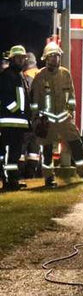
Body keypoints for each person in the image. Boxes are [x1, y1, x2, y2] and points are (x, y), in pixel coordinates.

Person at [31, 42, 83, 187]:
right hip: (46, 120)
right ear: (46, 58)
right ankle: (49, 178)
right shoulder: (40, 77)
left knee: (76, 144)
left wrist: (70, 112)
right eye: (52, 56)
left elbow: (71, 96)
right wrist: (36, 118)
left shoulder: (65, 74)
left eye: (57, 56)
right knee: (47, 150)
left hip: (64, 118)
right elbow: (34, 101)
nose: (55, 59)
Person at [0, 45, 30, 191]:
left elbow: (25, 99)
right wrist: (17, 111)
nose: (21, 60)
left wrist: (27, 116)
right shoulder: (7, 75)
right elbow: (5, 98)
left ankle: (13, 180)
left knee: (15, 155)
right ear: (12, 59)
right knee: (7, 154)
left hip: (19, 123)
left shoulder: (20, 76)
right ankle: (8, 181)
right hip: (8, 122)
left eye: (23, 58)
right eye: (18, 57)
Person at [20, 52, 40, 178]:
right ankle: (31, 174)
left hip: (27, 118)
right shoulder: (41, 75)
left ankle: (20, 174)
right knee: (34, 149)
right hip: (40, 119)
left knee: (21, 148)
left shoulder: (24, 77)